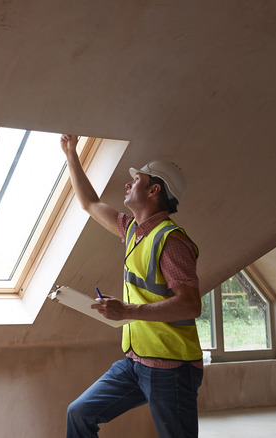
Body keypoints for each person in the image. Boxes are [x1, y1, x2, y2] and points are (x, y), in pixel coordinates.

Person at [60, 134, 204, 438]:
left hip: (172, 367)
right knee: (80, 413)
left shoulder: (171, 240)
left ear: (154, 190)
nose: (127, 184)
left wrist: (126, 310)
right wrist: (71, 153)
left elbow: (191, 304)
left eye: (135, 179)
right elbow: (90, 202)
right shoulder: (133, 231)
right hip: (136, 362)